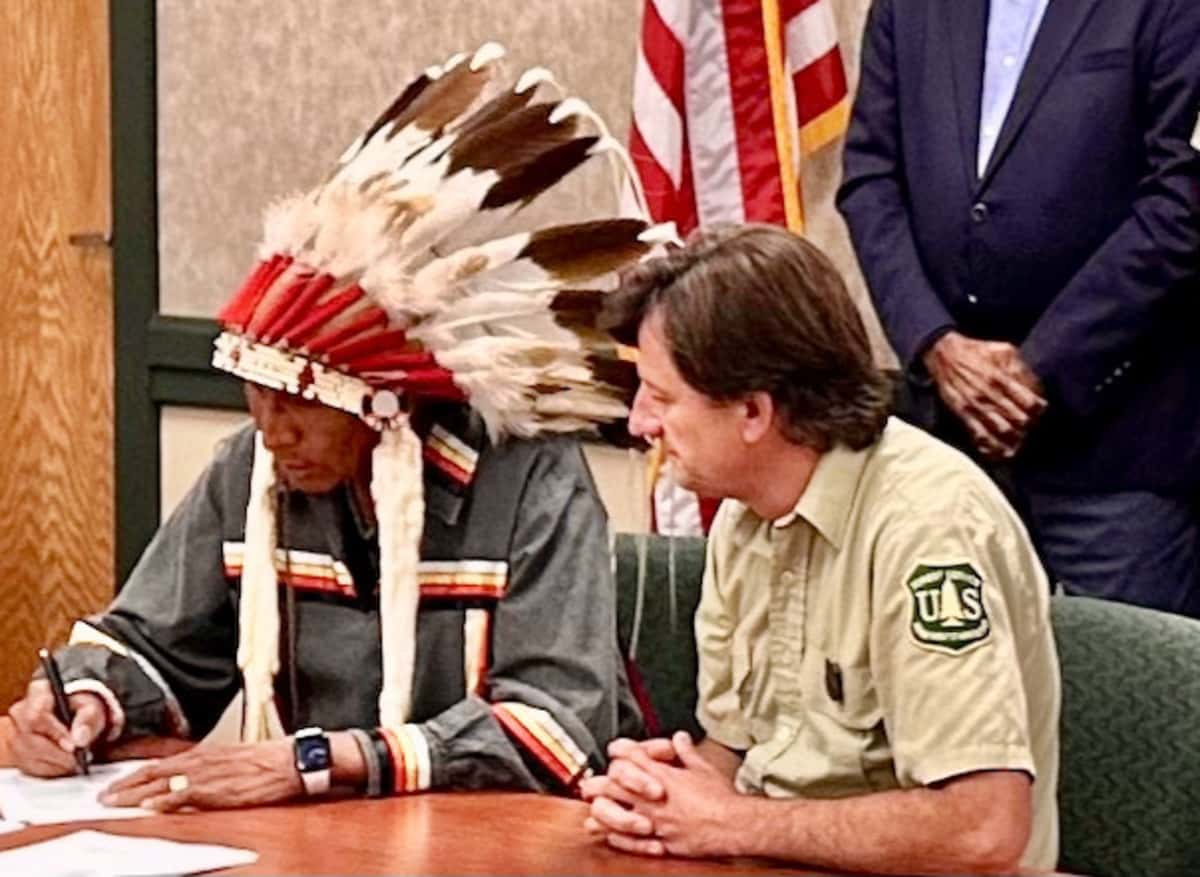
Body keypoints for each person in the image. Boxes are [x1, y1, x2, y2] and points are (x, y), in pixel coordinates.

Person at [7, 43, 655, 809]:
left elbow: (560, 724)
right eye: (255, 396)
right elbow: (155, 645)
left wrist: (325, 758)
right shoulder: (251, 469)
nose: (271, 431)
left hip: (508, 847)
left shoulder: (530, 480)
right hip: (326, 845)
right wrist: (81, 697)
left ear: (387, 402)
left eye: (299, 403)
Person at [582, 225, 1060, 874]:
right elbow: (736, 756)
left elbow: (983, 827)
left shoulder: (926, 529)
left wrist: (731, 821)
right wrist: (658, 798)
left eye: (661, 397)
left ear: (753, 411)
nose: (639, 423)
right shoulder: (746, 512)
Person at [837, 0, 1200, 616]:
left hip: (1118, 450)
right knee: (959, 690)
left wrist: (1037, 367)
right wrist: (935, 343)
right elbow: (871, 178)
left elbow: (1183, 202)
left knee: (1138, 696)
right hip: (949, 440)